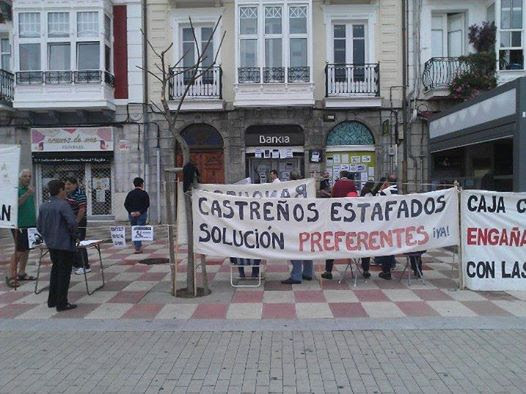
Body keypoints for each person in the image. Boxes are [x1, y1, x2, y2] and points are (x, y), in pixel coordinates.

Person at [37, 180, 79, 312]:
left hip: (51, 244)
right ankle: (62, 302)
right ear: (60, 190)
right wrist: (75, 236)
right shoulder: (63, 205)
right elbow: (72, 222)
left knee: (55, 271)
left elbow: (39, 226)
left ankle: (52, 300)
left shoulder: (44, 206)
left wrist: (47, 236)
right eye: (64, 189)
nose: (66, 191)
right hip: (65, 244)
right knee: (64, 274)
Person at [321, 171, 357, 280]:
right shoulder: (351, 184)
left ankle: (328, 271)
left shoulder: (337, 184)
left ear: (341, 176)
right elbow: (355, 197)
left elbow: (332, 197)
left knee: (332, 243)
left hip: (336, 216)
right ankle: (365, 270)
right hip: (350, 217)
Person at [6, 169, 37, 288]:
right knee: (19, 250)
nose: (28, 178)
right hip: (19, 225)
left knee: (26, 249)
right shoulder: (17, 190)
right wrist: (27, 194)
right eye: (25, 176)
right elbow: (16, 204)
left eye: (29, 176)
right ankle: (10, 275)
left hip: (30, 224)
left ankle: (22, 272)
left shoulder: (29, 190)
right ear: (19, 178)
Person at [282, 171, 313, 284]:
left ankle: (296, 275)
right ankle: (308, 273)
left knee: (294, 249)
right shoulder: (307, 189)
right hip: (307, 223)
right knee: (307, 248)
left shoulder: (290, 191)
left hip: (295, 224)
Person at [64, 178, 90, 275]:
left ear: (75, 185)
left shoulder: (80, 194)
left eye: (69, 184)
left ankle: (85, 265)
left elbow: (82, 210)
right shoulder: (67, 194)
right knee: (71, 243)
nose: (67, 186)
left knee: (80, 242)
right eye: (66, 184)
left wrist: (76, 222)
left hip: (79, 221)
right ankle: (75, 264)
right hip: (70, 221)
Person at [376, 174, 399, 280]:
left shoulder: (385, 192)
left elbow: (377, 202)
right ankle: (391, 263)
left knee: (386, 246)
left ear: (387, 181)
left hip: (385, 222)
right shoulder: (399, 191)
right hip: (395, 222)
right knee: (392, 245)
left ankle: (386, 271)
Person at [124, 177, 150, 254]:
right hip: (141, 214)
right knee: (139, 230)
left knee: (134, 229)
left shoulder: (130, 193)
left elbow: (126, 204)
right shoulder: (144, 193)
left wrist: (130, 212)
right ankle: (138, 247)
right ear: (141, 184)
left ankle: (136, 245)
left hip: (132, 214)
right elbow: (147, 204)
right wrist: (140, 212)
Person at [357, 180, 377, 279]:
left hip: (361, 225)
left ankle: (365, 268)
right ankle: (365, 269)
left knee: (363, 247)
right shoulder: (369, 195)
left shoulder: (362, 193)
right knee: (366, 248)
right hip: (368, 225)